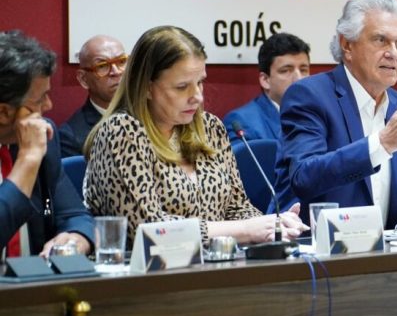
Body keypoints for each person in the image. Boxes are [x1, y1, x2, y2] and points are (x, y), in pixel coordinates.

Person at [84, 26, 306, 247]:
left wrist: (273, 225)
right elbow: (146, 228)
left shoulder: (210, 128)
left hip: (218, 264)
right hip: (148, 273)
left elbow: (237, 207)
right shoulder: (122, 132)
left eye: (200, 82)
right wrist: (246, 230)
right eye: (182, 87)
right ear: (147, 88)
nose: (197, 97)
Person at [275, 0, 397, 227]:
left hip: (385, 252)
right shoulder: (310, 95)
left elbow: (384, 192)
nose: (393, 53)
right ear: (347, 45)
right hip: (319, 250)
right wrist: (382, 144)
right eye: (381, 40)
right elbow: (304, 177)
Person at [0, 31, 94, 258]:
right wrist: (28, 160)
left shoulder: (43, 137)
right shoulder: (33, 148)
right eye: (39, 99)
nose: (49, 105)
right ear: (4, 112)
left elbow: (76, 215)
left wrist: (76, 238)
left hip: (33, 286)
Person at [223, 32, 311, 142]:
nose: (299, 79)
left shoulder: (320, 113)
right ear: (265, 80)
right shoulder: (241, 122)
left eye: (303, 70)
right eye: (286, 71)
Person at [59, 35, 127, 157]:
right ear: (83, 79)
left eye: (121, 61)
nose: (116, 72)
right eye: (102, 66)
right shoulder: (72, 137)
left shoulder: (150, 115)